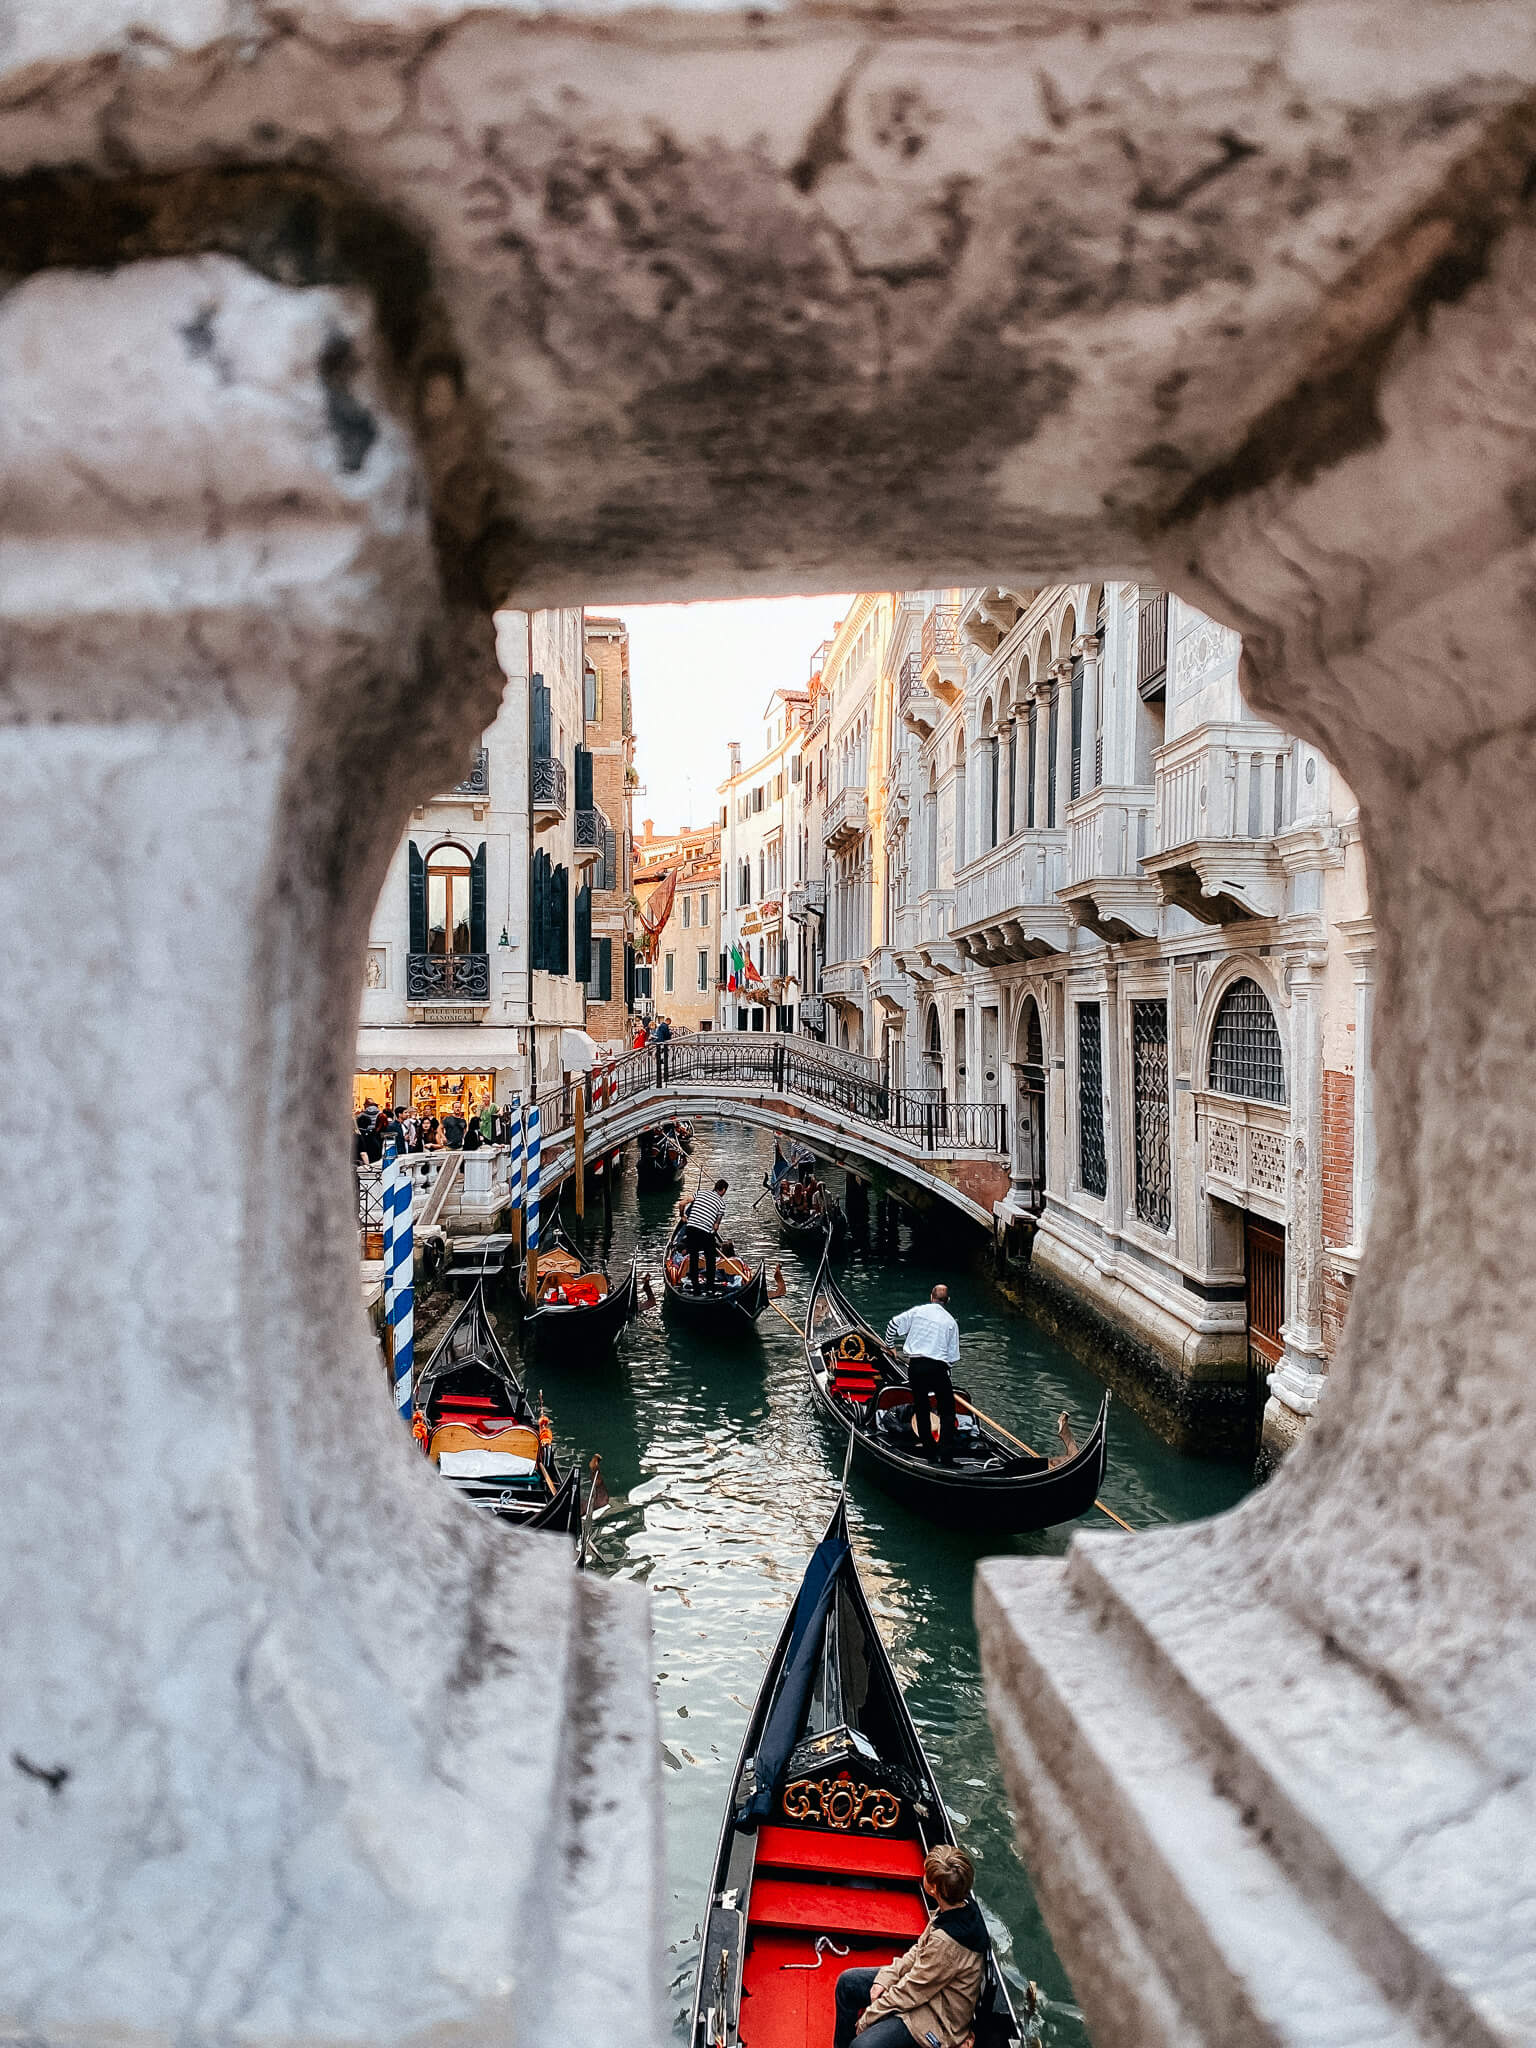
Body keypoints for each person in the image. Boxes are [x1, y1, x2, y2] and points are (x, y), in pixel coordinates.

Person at [832, 1844, 989, 2048]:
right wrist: (885, 1978)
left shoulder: (947, 1942)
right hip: (925, 1989)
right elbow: (918, 1952)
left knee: (861, 2046)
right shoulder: (956, 1907)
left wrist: (869, 2017)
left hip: (937, 2018)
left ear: (933, 1888)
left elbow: (913, 1991)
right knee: (848, 1984)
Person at [885, 1284, 961, 1463]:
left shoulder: (917, 1312)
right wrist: (944, 1372)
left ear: (931, 1297)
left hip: (916, 1367)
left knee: (922, 1408)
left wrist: (890, 1346)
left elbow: (892, 1325)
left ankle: (930, 1452)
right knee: (948, 1412)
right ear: (947, 1301)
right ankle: (946, 1455)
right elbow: (952, 1358)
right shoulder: (951, 1322)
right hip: (938, 1369)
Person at [682, 1178, 728, 1294]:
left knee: (693, 1256)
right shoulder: (721, 1204)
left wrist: (682, 1216)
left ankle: (695, 1287)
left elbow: (682, 1203)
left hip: (691, 1228)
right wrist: (712, 1227)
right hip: (705, 1232)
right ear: (722, 1190)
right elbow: (716, 1226)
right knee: (710, 1258)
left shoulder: (700, 1193)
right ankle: (710, 1287)